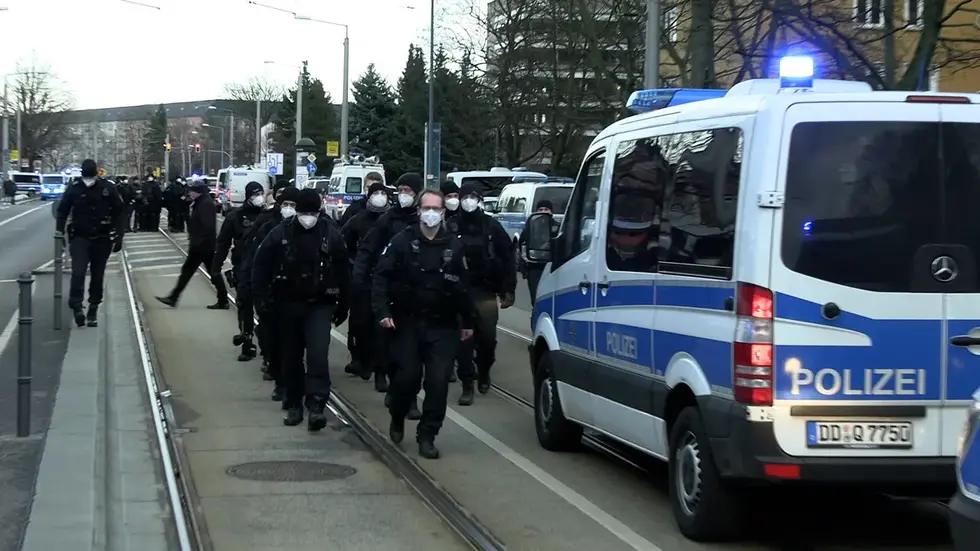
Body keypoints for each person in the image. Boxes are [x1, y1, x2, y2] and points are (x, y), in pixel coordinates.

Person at [372, 189, 475, 459]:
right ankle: (397, 414)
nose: (431, 213)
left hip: (442, 325)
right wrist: (382, 310)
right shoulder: (401, 242)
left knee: (439, 382)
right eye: (426, 207)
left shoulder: (455, 245)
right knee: (406, 378)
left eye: (436, 209)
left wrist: (469, 321)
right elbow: (381, 277)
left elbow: (465, 287)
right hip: (407, 322)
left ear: (443, 213)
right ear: (419, 211)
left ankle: (427, 434)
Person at [251, 188, 350, 430]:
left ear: (319, 211)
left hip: (320, 305)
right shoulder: (280, 233)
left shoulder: (331, 234)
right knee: (291, 357)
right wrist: (261, 299)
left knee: (317, 355)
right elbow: (261, 266)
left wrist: (344, 304)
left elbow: (344, 271)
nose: (308, 217)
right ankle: (294, 403)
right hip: (288, 304)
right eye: (303, 212)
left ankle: (316, 405)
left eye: (312, 212)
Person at [353, 172, 424, 419]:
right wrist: (359, 280)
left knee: (414, 354)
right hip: (389, 292)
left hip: (418, 295)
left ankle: (411, 399)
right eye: (400, 189)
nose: (403, 195)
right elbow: (367, 249)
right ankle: (387, 379)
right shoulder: (387, 220)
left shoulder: (425, 221)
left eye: (408, 190)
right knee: (387, 345)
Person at [448, 182, 517, 404]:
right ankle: (467, 384)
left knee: (487, 338)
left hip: (485, 291)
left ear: (480, 200)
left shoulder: (492, 227)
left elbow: (508, 258)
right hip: (459, 292)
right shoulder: (451, 226)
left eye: (473, 196)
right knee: (463, 341)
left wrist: (508, 289)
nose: (468, 200)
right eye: (464, 196)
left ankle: (484, 370)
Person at [55, 159, 125, 327]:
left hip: (102, 237)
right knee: (78, 272)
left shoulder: (108, 188)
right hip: (80, 236)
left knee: (97, 274)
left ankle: (93, 307)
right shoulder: (75, 188)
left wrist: (119, 235)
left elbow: (120, 211)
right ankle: (77, 305)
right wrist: (59, 232)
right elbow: (63, 210)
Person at [243, 184, 296, 401]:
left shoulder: (310, 228)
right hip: (270, 291)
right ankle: (274, 367)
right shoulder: (267, 225)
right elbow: (254, 257)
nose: (288, 208)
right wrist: (249, 286)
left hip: (296, 295)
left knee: (292, 342)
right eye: (285, 203)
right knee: (271, 336)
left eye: (293, 204)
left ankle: (289, 381)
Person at [341, 181, 390, 389]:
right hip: (363, 279)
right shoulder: (357, 220)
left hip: (387, 280)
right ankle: (361, 358)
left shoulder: (392, 220)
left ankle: (380, 370)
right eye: (375, 193)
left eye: (382, 192)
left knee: (383, 328)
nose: (379, 196)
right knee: (361, 324)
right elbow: (344, 242)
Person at [154, 178, 229, 309]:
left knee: (189, 271)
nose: (190, 193)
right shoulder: (200, 202)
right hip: (204, 245)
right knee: (211, 272)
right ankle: (223, 299)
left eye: (192, 191)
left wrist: (197, 240)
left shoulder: (205, 204)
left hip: (202, 246)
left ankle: (174, 297)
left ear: (198, 192)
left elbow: (208, 226)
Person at [213, 181, 266, 361]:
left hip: (264, 269)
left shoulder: (267, 215)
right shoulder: (236, 216)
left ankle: (267, 346)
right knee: (244, 306)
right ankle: (247, 342)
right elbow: (223, 242)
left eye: (261, 193)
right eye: (255, 194)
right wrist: (216, 266)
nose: (258, 197)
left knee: (265, 308)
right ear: (248, 195)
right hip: (242, 267)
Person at [518, 199, 559, 307]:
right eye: (540, 209)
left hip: (552, 267)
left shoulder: (557, 227)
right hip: (534, 266)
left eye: (546, 209)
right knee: (536, 299)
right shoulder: (531, 227)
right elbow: (522, 243)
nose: (543, 211)